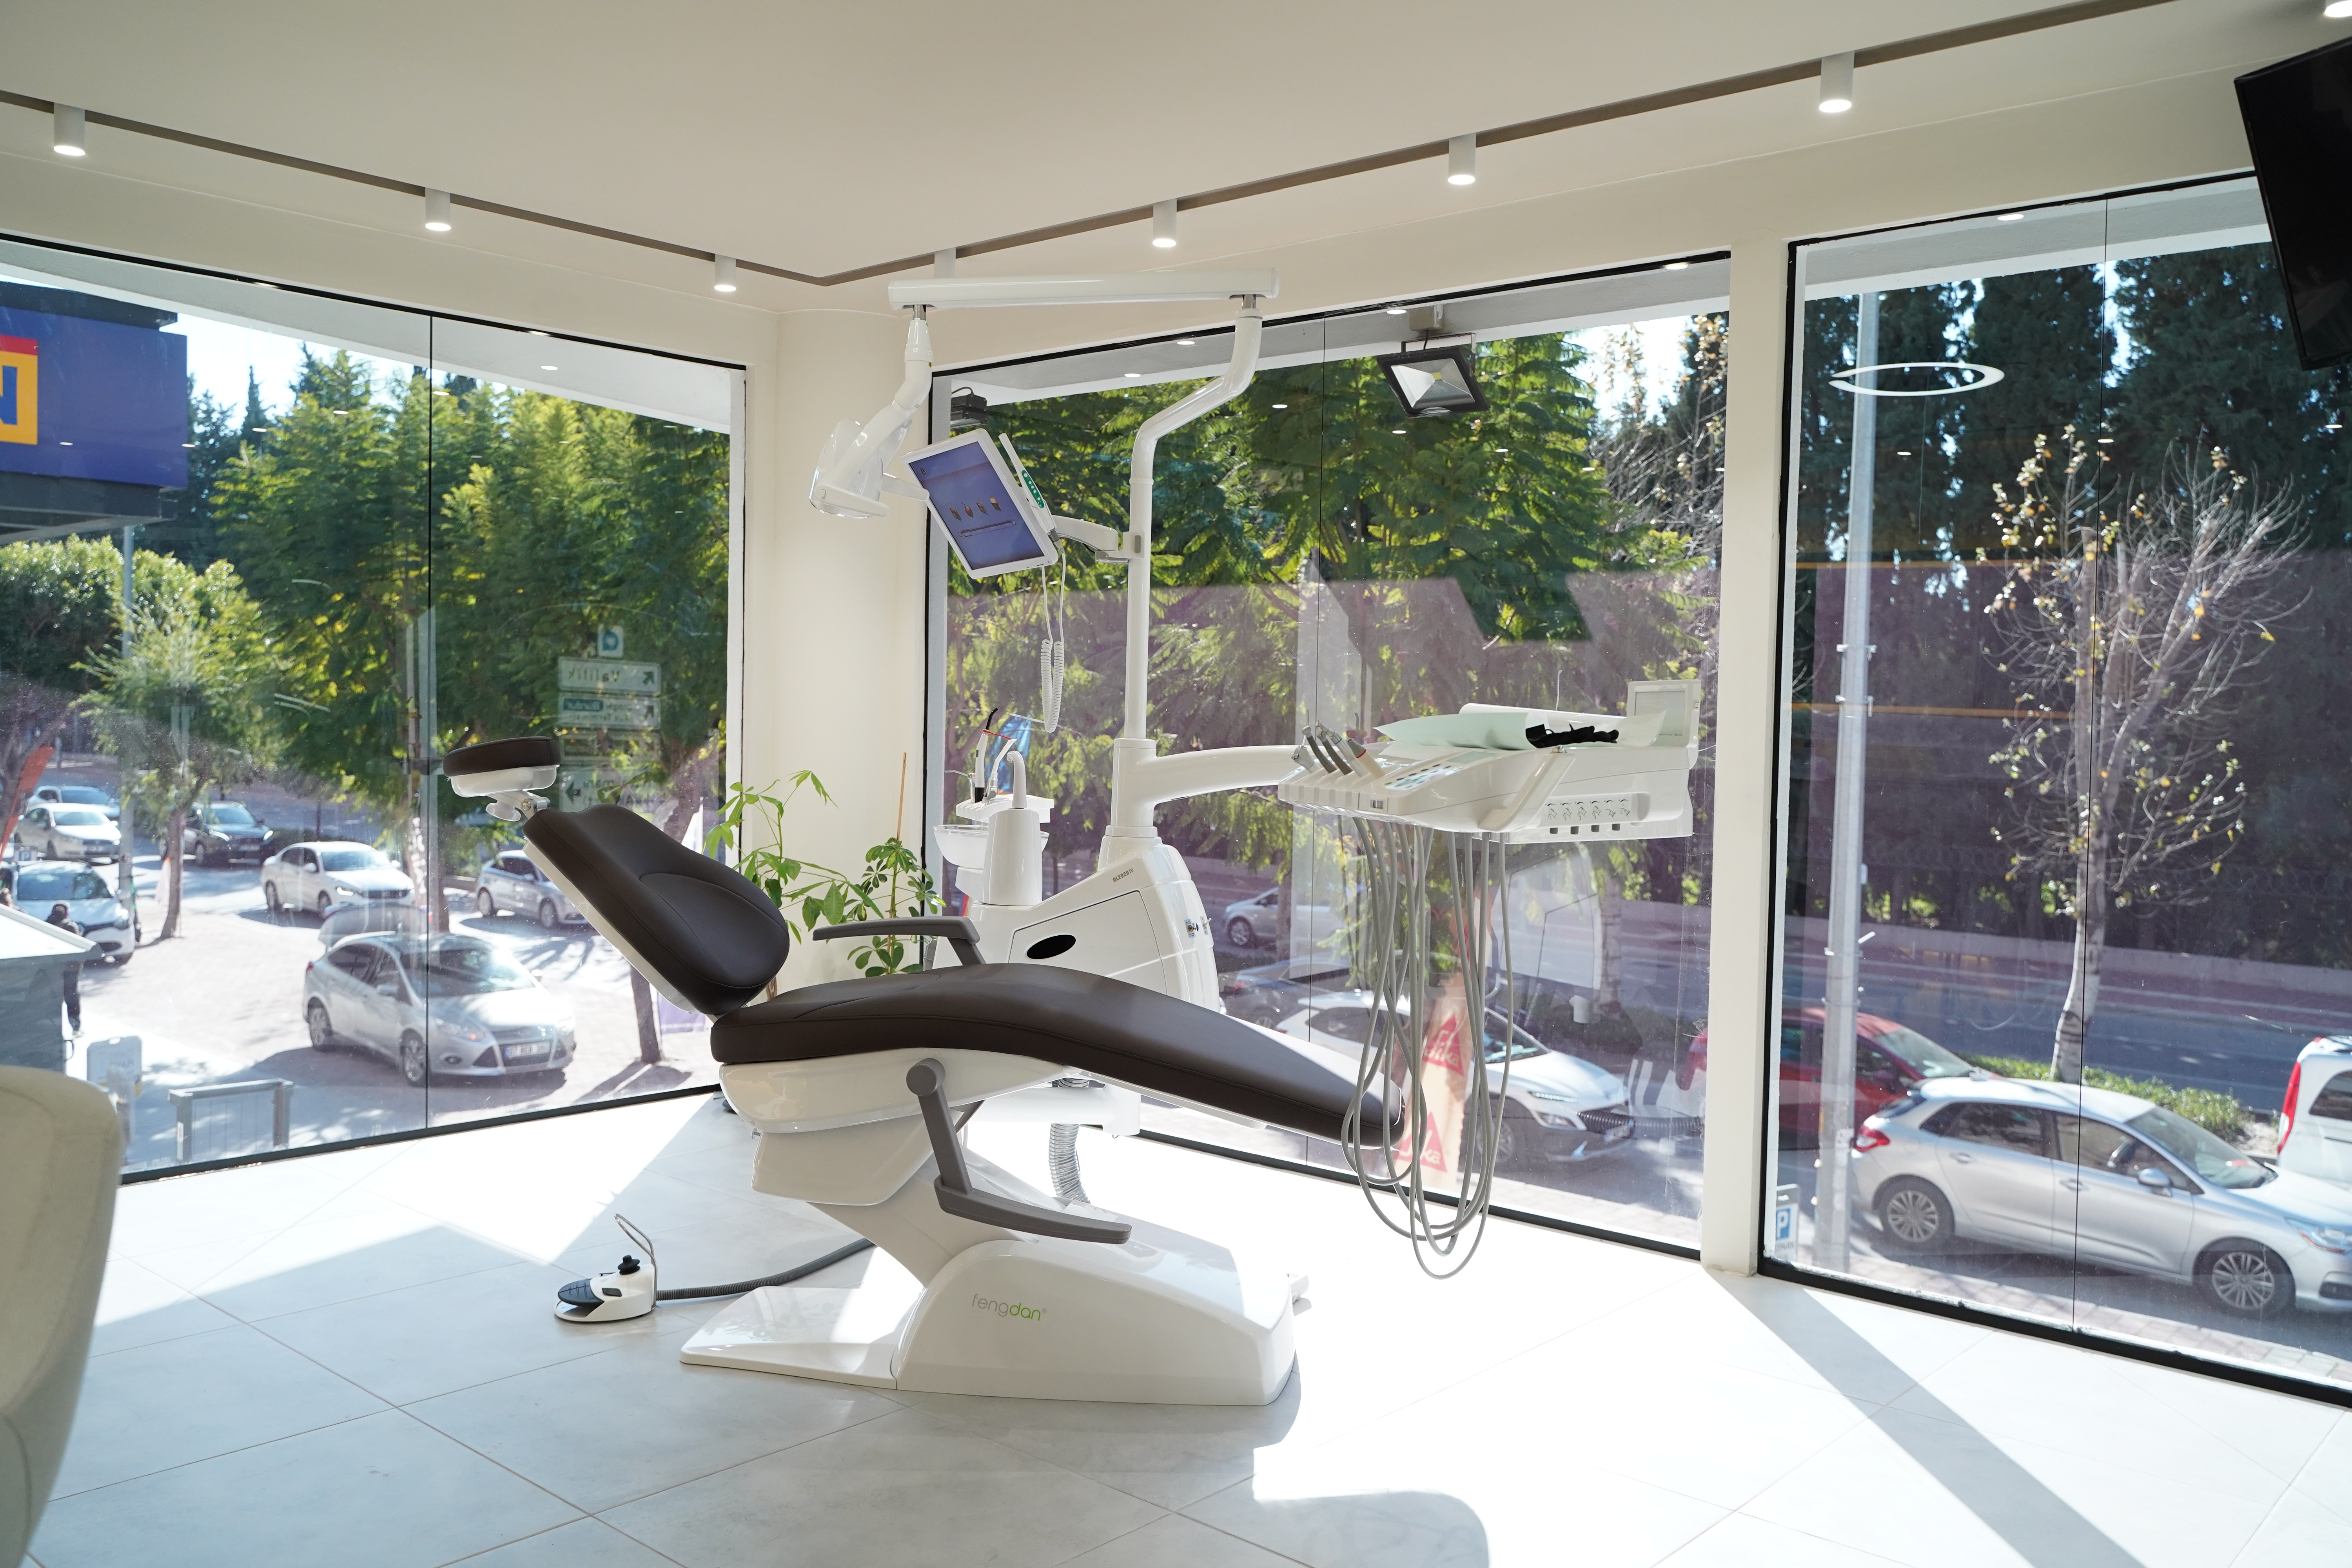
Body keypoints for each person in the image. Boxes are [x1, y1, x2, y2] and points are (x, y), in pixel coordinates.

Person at [46, 901, 83, 1035]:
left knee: (53, 999)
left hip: (52, 970)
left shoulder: (45, 926)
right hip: (70, 969)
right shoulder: (70, 926)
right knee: (71, 998)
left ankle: (53, 1030)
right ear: (67, 913)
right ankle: (75, 1027)